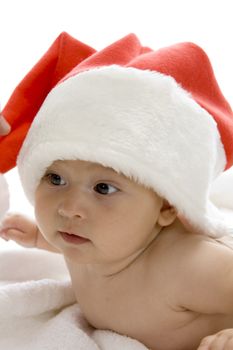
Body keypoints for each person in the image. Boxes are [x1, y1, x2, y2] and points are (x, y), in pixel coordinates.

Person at [1, 32, 233, 350]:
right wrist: (39, 237)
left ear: (167, 207)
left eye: (103, 188)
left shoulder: (187, 266)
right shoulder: (93, 240)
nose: (68, 209)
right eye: (55, 179)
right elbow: (87, 251)